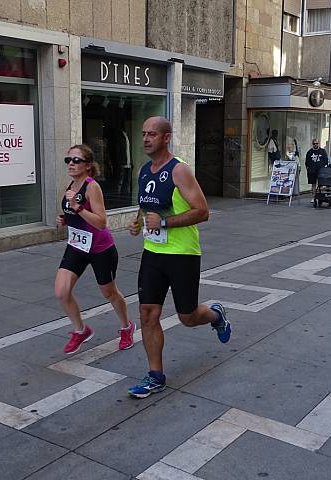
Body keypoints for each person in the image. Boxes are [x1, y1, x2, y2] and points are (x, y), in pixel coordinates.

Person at [127, 116, 231, 399]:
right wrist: (139, 223)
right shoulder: (144, 171)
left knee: (187, 316)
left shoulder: (179, 170)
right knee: (148, 315)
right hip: (153, 253)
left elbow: (202, 211)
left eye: (152, 134)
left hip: (182, 255)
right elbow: (147, 207)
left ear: (166, 137)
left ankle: (215, 314)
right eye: (143, 133)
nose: (146, 139)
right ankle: (155, 376)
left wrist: (162, 223)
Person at [55, 144, 135, 354]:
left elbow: (101, 222)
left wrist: (78, 208)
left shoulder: (92, 187)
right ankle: (80, 330)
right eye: (68, 160)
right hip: (77, 246)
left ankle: (127, 327)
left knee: (109, 292)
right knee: (61, 292)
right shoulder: (71, 185)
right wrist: (65, 218)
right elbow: (74, 213)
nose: (71, 164)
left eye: (76, 160)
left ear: (88, 166)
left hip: (100, 248)